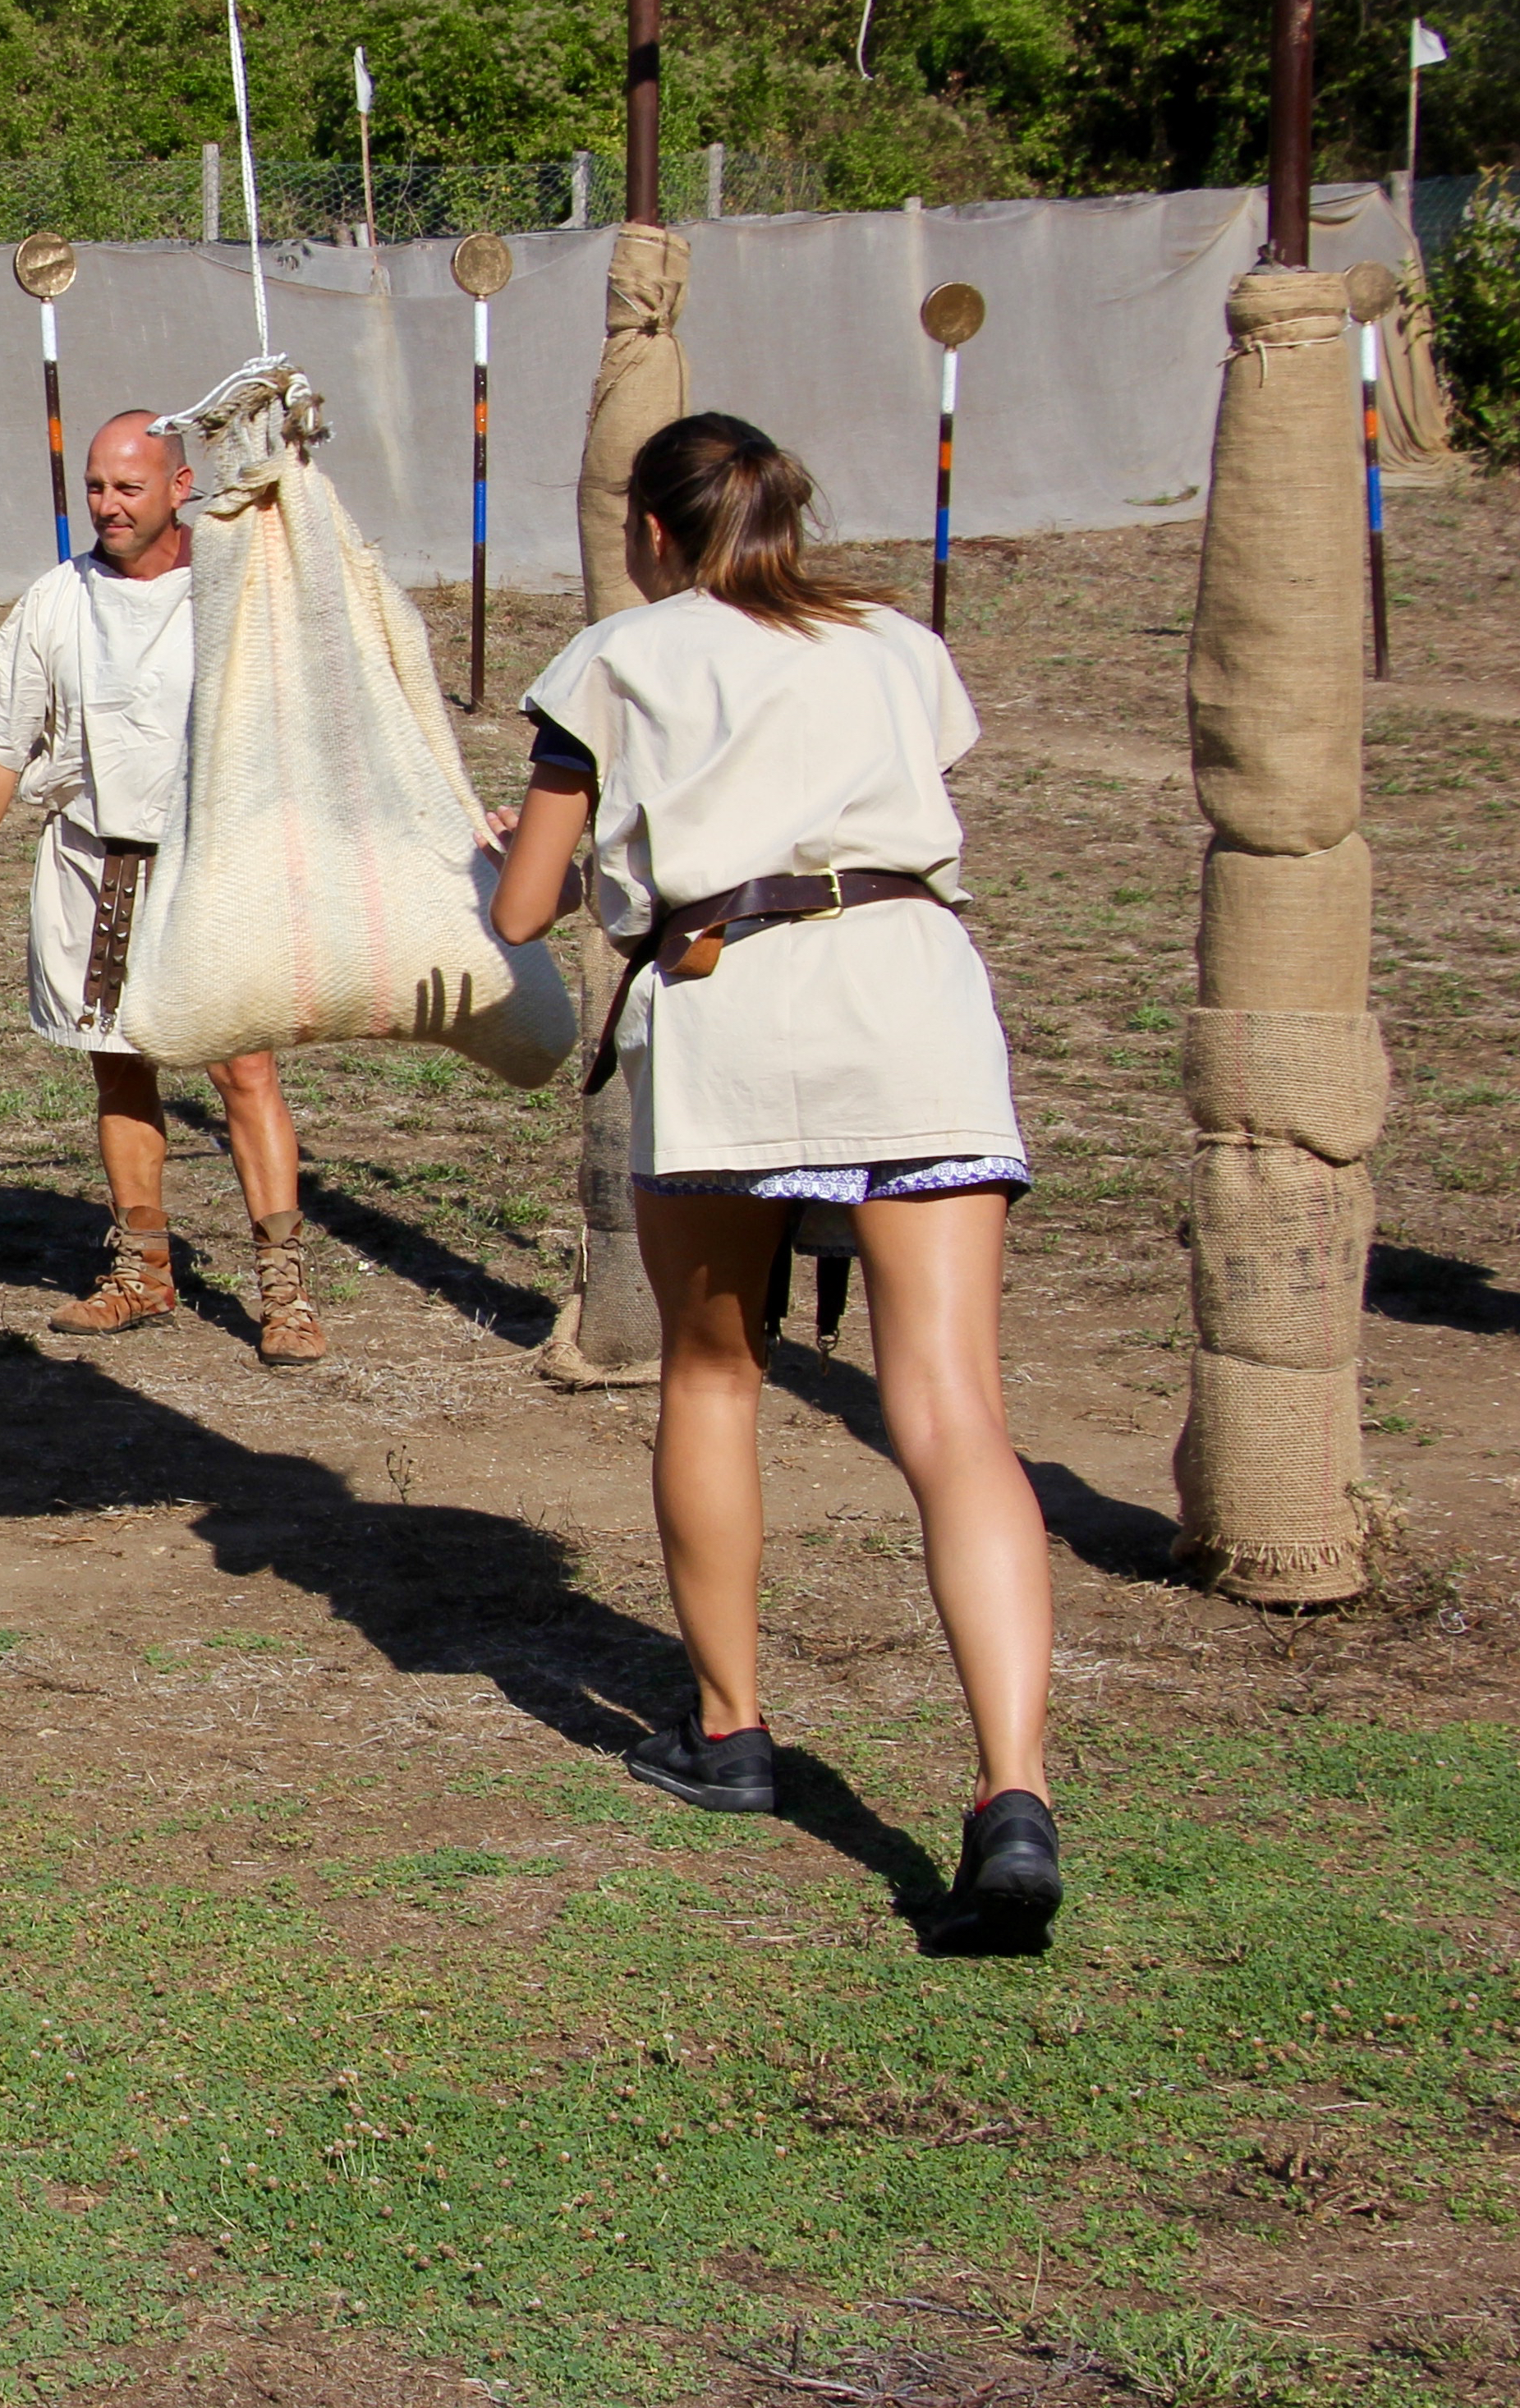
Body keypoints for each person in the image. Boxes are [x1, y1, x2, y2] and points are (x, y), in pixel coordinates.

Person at [490, 412, 1058, 1952]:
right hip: (912, 991)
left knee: (713, 1371)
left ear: (655, 533)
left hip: (730, 994)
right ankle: (1011, 1793)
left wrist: (504, 848)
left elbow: (529, 903)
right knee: (951, 1414)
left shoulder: (619, 653)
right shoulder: (891, 638)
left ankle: (729, 1730)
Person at [0, 409, 324, 1363]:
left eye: (129, 488)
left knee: (243, 1070)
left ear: (179, 487)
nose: (109, 507)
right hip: (91, 863)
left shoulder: (237, 588)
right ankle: (143, 1270)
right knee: (116, 1062)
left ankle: (284, 1288)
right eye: (98, 490)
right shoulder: (57, 599)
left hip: (212, 866)